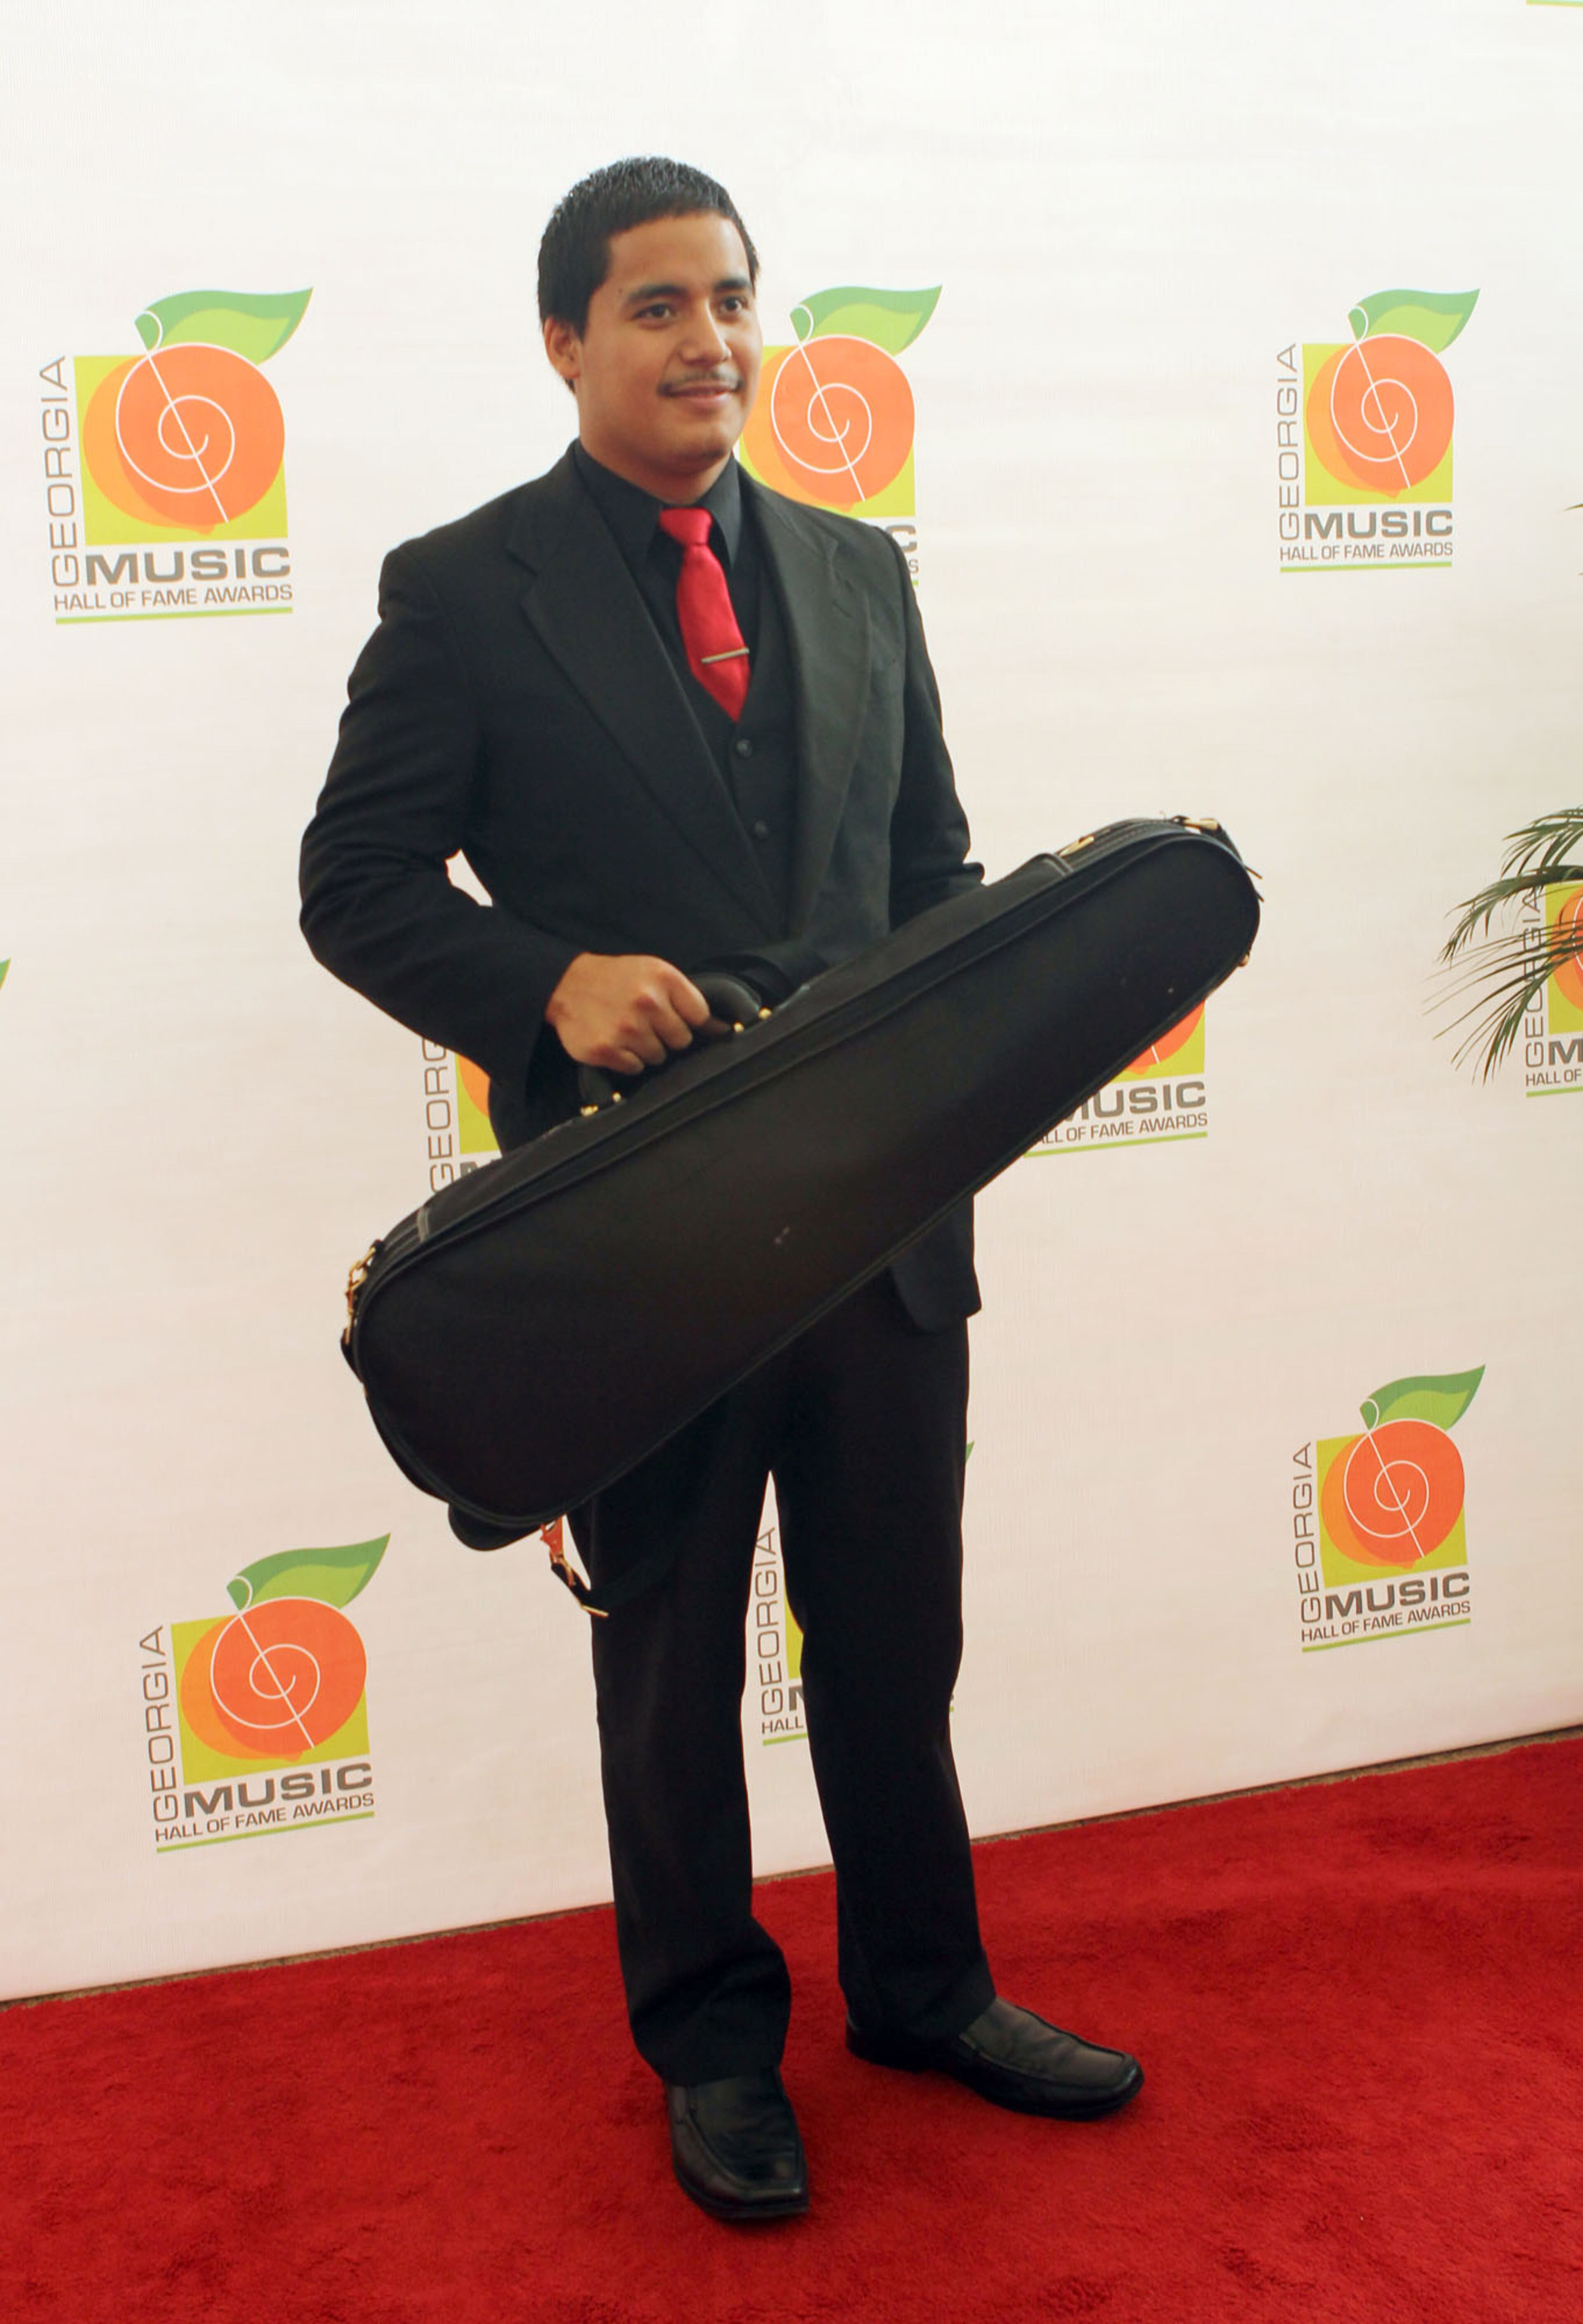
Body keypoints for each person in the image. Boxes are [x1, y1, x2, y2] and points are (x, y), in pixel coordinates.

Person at [300, 156, 1142, 2223]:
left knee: (891, 1639)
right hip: (637, 1250)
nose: (711, 341)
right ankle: (712, 2048)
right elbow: (355, 886)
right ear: (567, 341)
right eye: (659, 305)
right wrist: (547, 986)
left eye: (734, 300)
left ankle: (926, 1992)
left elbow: (932, 878)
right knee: (668, 1666)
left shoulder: (862, 574)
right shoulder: (463, 589)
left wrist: (954, 1088)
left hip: (878, 1236)